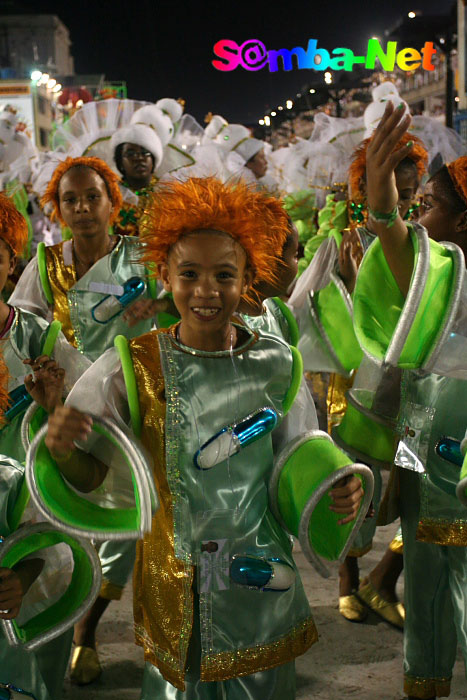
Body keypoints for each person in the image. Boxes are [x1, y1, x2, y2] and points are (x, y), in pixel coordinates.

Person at [43, 176, 365, 698]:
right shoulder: (129, 367)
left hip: (260, 589)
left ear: (247, 280)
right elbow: (97, 479)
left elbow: (301, 460)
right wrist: (61, 448)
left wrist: (334, 484)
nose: (206, 291)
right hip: (173, 594)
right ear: (164, 276)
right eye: (189, 273)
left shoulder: (277, 364)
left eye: (224, 275)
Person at [358, 100, 467, 699]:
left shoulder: (449, 275)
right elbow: (403, 252)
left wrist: (385, 213)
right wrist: (383, 212)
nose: (418, 217)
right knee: (421, 601)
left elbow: (404, 249)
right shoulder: (439, 280)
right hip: (425, 467)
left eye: (429, 208)